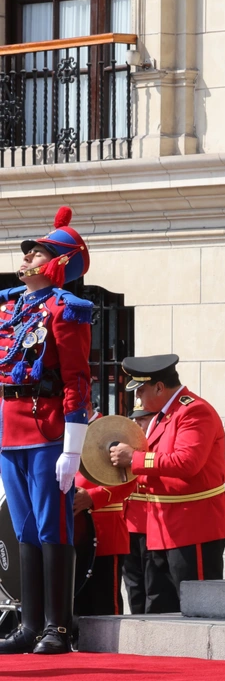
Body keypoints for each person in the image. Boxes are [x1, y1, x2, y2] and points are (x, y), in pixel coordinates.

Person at [0, 207, 93, 656]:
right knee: (23, 529)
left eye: (37, 254)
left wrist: (72, 448)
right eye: (30, 252)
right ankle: (29, 622)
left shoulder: (67, 310)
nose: (28, 258)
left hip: (46, 428)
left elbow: (77, 380)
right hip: (10, 429)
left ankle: (59, 626)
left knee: (52, 528)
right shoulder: (10, 306)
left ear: (57, 263)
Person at [109, 355, 225, 614]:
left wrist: (133, 459)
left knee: (197, 605)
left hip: (193, 523)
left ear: (159, 387)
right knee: (161, 605)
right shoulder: (165, 414)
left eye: (141, 390)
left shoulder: (194, 410)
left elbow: (186, 463)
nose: (139, 399)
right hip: (162, 524)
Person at [73, 412, 135, 617]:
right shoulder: (57, 429)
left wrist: (92, 498)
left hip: (103, 531)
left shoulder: (111, 429)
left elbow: (128, 480)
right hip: (68, 533)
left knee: (103, 607)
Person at [121, 410, 152, 614]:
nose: (137, 423)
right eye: (135, 418)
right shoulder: (126, 445)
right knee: (133, 587)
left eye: (143, 418)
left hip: (151, 524)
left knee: (153, 587)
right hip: (128, 523)